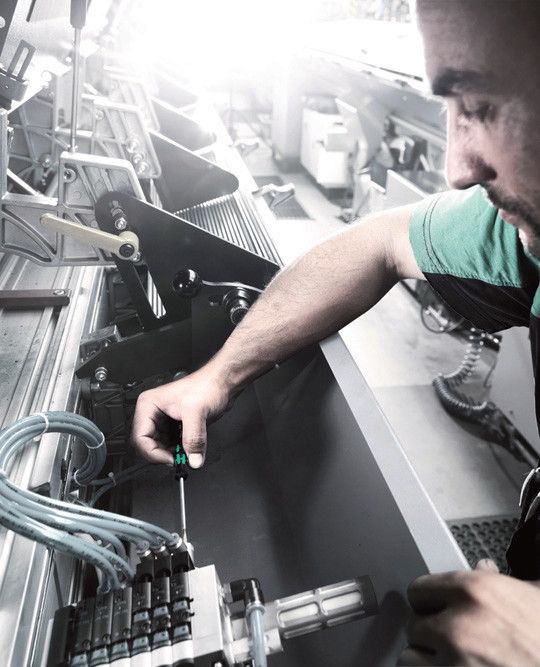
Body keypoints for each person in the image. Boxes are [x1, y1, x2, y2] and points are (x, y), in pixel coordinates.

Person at [132, 2, 540, 664]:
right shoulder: (525, 237)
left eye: (482, 106)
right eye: (451, 107)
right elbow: (378, 244)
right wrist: (218, 375)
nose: (458, 168)